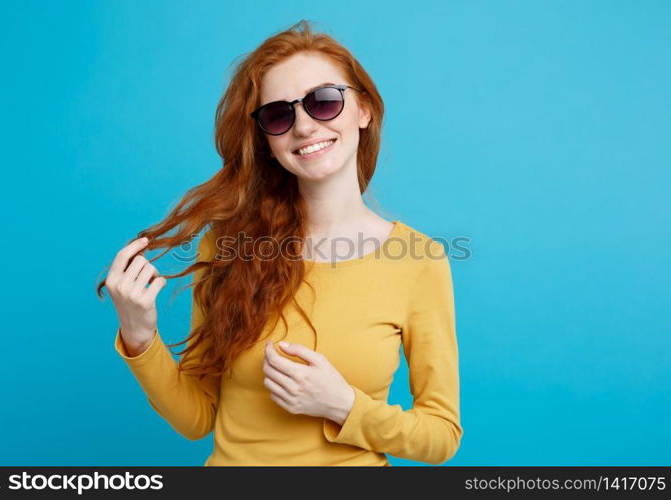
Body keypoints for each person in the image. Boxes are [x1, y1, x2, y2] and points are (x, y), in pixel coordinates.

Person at [96, 19, 463, 466]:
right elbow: (197, 419)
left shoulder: (419, 262)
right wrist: (139, 335)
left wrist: (343, 405)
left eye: (324, 101)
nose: (305, 127)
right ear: (267, 141)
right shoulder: (229, 247)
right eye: (279, 114)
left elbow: (441, 437)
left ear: (363, 109)